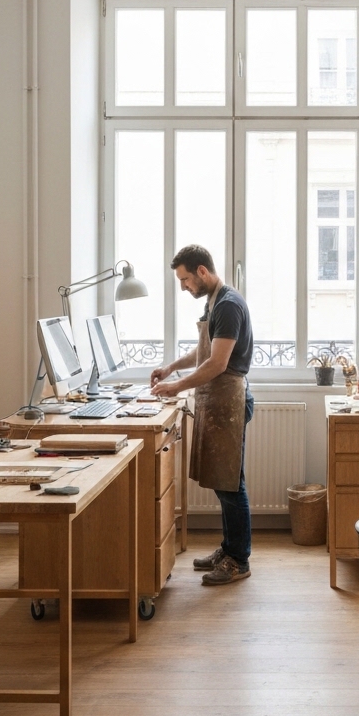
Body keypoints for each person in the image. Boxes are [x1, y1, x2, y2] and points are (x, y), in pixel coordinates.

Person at [151, 245, 254, 586]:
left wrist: (177, 387)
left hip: (230, 399)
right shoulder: (214, 302)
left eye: (185, 280)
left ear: (202, 272)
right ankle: (228, 548)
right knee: (222, 482)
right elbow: (203, 350)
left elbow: (217, 363)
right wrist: (170, 368)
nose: (183, 287)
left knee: (230, 484)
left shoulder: (228, 305)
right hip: (217, 397)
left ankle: (238, 560)